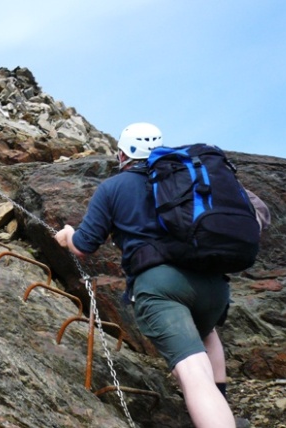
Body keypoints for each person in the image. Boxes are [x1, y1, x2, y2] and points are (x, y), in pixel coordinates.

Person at [54, 122, 238, 427]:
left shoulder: (114, 187)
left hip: (160, 286)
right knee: (206, 334)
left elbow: (84, 246)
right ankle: (222, 405)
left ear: (123, 154)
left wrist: (67, 235)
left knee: (192, 371)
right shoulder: (187, 177)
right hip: (213, 284)